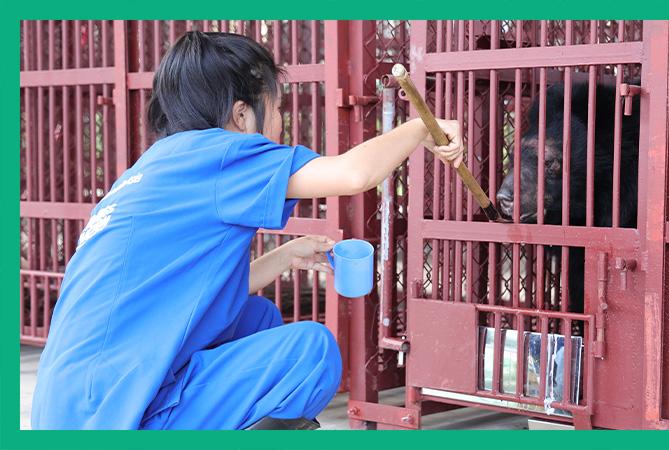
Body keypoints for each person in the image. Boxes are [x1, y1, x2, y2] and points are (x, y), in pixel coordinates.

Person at [30, 31, 463, 430]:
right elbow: (352, 175)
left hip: (71, 404)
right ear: (241, 115)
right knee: (310, 352)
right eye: (275, 110)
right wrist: (418, 130)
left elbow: (180, 293)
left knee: (258, 319)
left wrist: (283, 256)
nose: (279, 126)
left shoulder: (153, 168)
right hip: (116, 411)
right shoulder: (222, 153)